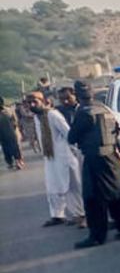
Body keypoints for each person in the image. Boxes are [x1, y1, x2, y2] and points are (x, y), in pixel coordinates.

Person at [68, 80, 120, 247]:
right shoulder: (104, 108)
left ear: (76, 95)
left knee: (93, 198)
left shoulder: (83, 112)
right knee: (115, 193)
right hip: (112, 156)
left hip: (95, 158)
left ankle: (96, 236)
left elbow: (72, 137)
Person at [29, 91, 85, 227]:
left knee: (71, 186)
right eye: (29, 102)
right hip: (49, 157)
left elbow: (68, 134)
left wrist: (75, 153)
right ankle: (57, 215)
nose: (32, 105)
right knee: (53, 186)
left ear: (44, 101)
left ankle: (80, 214)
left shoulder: (53, 115)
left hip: (64, 156)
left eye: (35, 101)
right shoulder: (37, 117)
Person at [0, 96, 24, 170]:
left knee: (13, 147)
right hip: (6, 132)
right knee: (8, 148)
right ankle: (11, 162)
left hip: (11, 131)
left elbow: (15, 121)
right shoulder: (8, 110)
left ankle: (17, 161)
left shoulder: (8, 110)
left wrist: (16, 128)